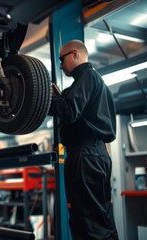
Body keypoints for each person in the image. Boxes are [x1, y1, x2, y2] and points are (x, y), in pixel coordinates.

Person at [49, 40, 119, 240]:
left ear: (75, 54)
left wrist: (51, 99)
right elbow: (76, 113)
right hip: (95, 154)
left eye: (62, 60)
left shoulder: (87, 76)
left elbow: (69, 111)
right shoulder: (95, 83)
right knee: (99, 220)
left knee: (87, 222)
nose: (61, 65)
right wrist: (60, 99)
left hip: (85, 156)